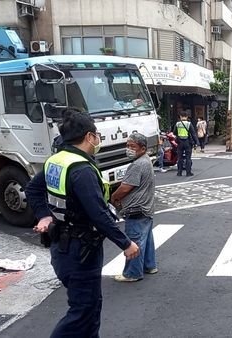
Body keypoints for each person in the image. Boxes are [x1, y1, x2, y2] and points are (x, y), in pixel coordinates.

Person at [26, 109, 139, 337]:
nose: (98, 138)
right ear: (89, 136)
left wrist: (44, 215)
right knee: (81, 312)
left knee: (90, 309)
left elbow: (33, 189)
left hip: (64, 247)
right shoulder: (82, 170)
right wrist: (125, 243)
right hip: (80, 252)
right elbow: (98, 213)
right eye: (96, 134)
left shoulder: (56, 161)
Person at [110, 133, 158, 282]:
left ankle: (133, 273)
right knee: (146, 238)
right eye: (128, 145)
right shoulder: (145, 160)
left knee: (135, 241)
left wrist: (114, 198)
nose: (129, 149)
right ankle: (149, 265)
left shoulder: (137, 165)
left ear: (142, 148)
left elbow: (125, 188)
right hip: (145, 207)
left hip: (136, 208)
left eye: (133, 146)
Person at [173, 112, 199, 176]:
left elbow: (174, 132)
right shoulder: (189, 124)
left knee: (180, 158)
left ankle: (179, 172)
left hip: (179, 142)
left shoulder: (177, 124)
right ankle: (188, 172)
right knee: (188, 158)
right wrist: (196, 142)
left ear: (180, 117)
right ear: (187, 117)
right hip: (187, 142)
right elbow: (193, 134)